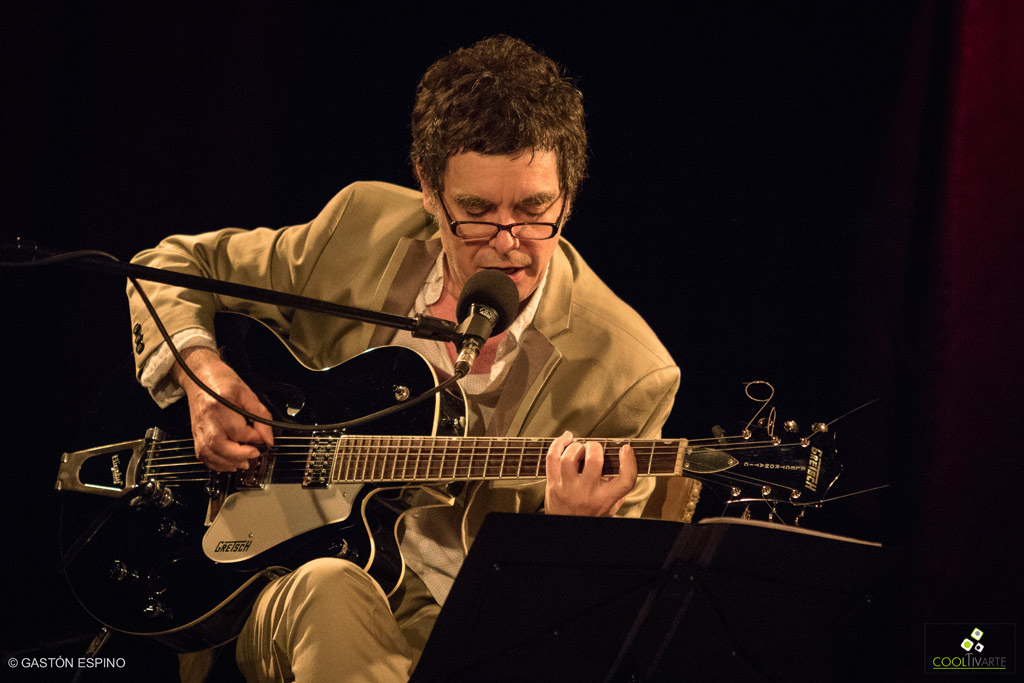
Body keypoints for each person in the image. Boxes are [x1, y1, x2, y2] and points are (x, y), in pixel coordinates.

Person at [127, 35, 696, 682]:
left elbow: (590, 629)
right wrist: (204, 378)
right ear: (428, 188)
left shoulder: (629, 371)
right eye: (476, 212)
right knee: (329, 590)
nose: (508, 245)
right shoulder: (362, 227)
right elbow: (167, 266)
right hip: (280, 574)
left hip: (464, 640)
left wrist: (568, 536)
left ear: (569, 191)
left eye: (536, 209)